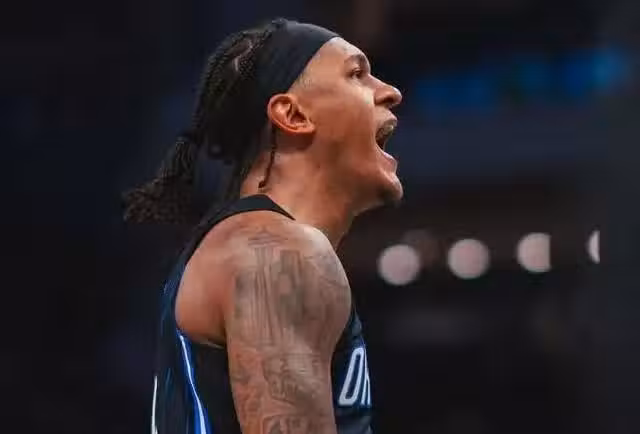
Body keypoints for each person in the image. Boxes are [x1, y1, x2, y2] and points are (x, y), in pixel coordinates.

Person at [123, 17, 402, 434]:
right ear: (292, 114)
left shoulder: (251, 245)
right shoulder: (276, 253)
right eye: (356, 74)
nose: (390, 92)